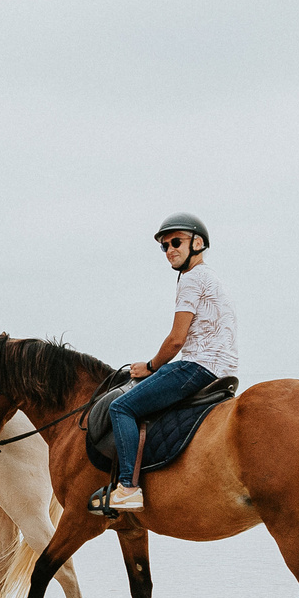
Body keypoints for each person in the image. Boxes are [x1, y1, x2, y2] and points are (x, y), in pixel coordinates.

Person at [98, 212, 238, 514]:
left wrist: (150, 366)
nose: (170, 249)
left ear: (197, 243)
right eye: (165, 246)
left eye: (176, 242)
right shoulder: (210, 278)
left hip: (197, 367)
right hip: (221, 369)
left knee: (121, 407)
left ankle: (128, 488)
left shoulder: (191, 279)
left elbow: (176, 340)